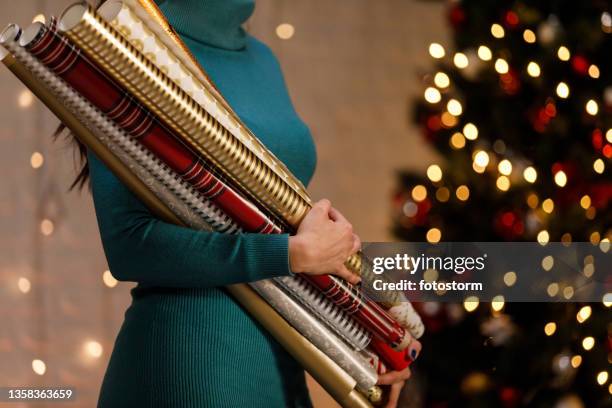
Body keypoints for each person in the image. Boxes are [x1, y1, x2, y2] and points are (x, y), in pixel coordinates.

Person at [75, 0, 412, 406]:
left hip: (283, 358)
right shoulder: (124, 42)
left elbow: (288, 231)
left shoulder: (262, 57)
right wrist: (290, 253)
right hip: (192, 363)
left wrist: (367, 337)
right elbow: (130, 245)